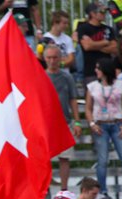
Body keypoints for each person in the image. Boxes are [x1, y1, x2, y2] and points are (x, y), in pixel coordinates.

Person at [85, 58, 122, 196]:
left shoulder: (121, 85)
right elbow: (88, 108)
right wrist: (92, 124)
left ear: (105, 70)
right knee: (102, 160)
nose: (96, 71)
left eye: (98, 68)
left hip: (118, 123)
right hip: (100, 125)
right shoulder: (92, 86)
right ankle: (102, 190)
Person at [44, 44, 82, 191]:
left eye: (55, 57)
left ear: (60, 58)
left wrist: (77, 121)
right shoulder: (40, 76)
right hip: (46, 124)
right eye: (49, 57)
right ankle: (45, 189)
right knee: (44, 159)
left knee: (65, 158)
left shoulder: (67, 77)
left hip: (64, 122)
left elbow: (73, 99)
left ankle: (64, 189)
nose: (52, 61)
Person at [77, 2, 117, 85]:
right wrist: (105, 42)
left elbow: (115, 48)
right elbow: (87, 46)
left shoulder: (109, 29)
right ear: (93, 14)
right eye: (101, 12)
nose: (104, 14)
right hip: (91, 72)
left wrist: (93, 44)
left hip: (108, 72)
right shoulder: (83, 28)